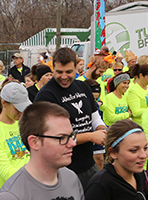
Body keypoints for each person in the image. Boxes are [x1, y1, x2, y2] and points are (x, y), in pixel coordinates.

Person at [34, 47, 106, 188]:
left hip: (88, 164)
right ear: (53, 68)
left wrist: (101, 128)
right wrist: (91, 136)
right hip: (62, 169)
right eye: (59, 72)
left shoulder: (82, 87)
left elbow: (93, 115)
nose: (64, 76)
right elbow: (53, 138)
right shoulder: (45, 96)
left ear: (76, 69)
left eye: (69, 72)